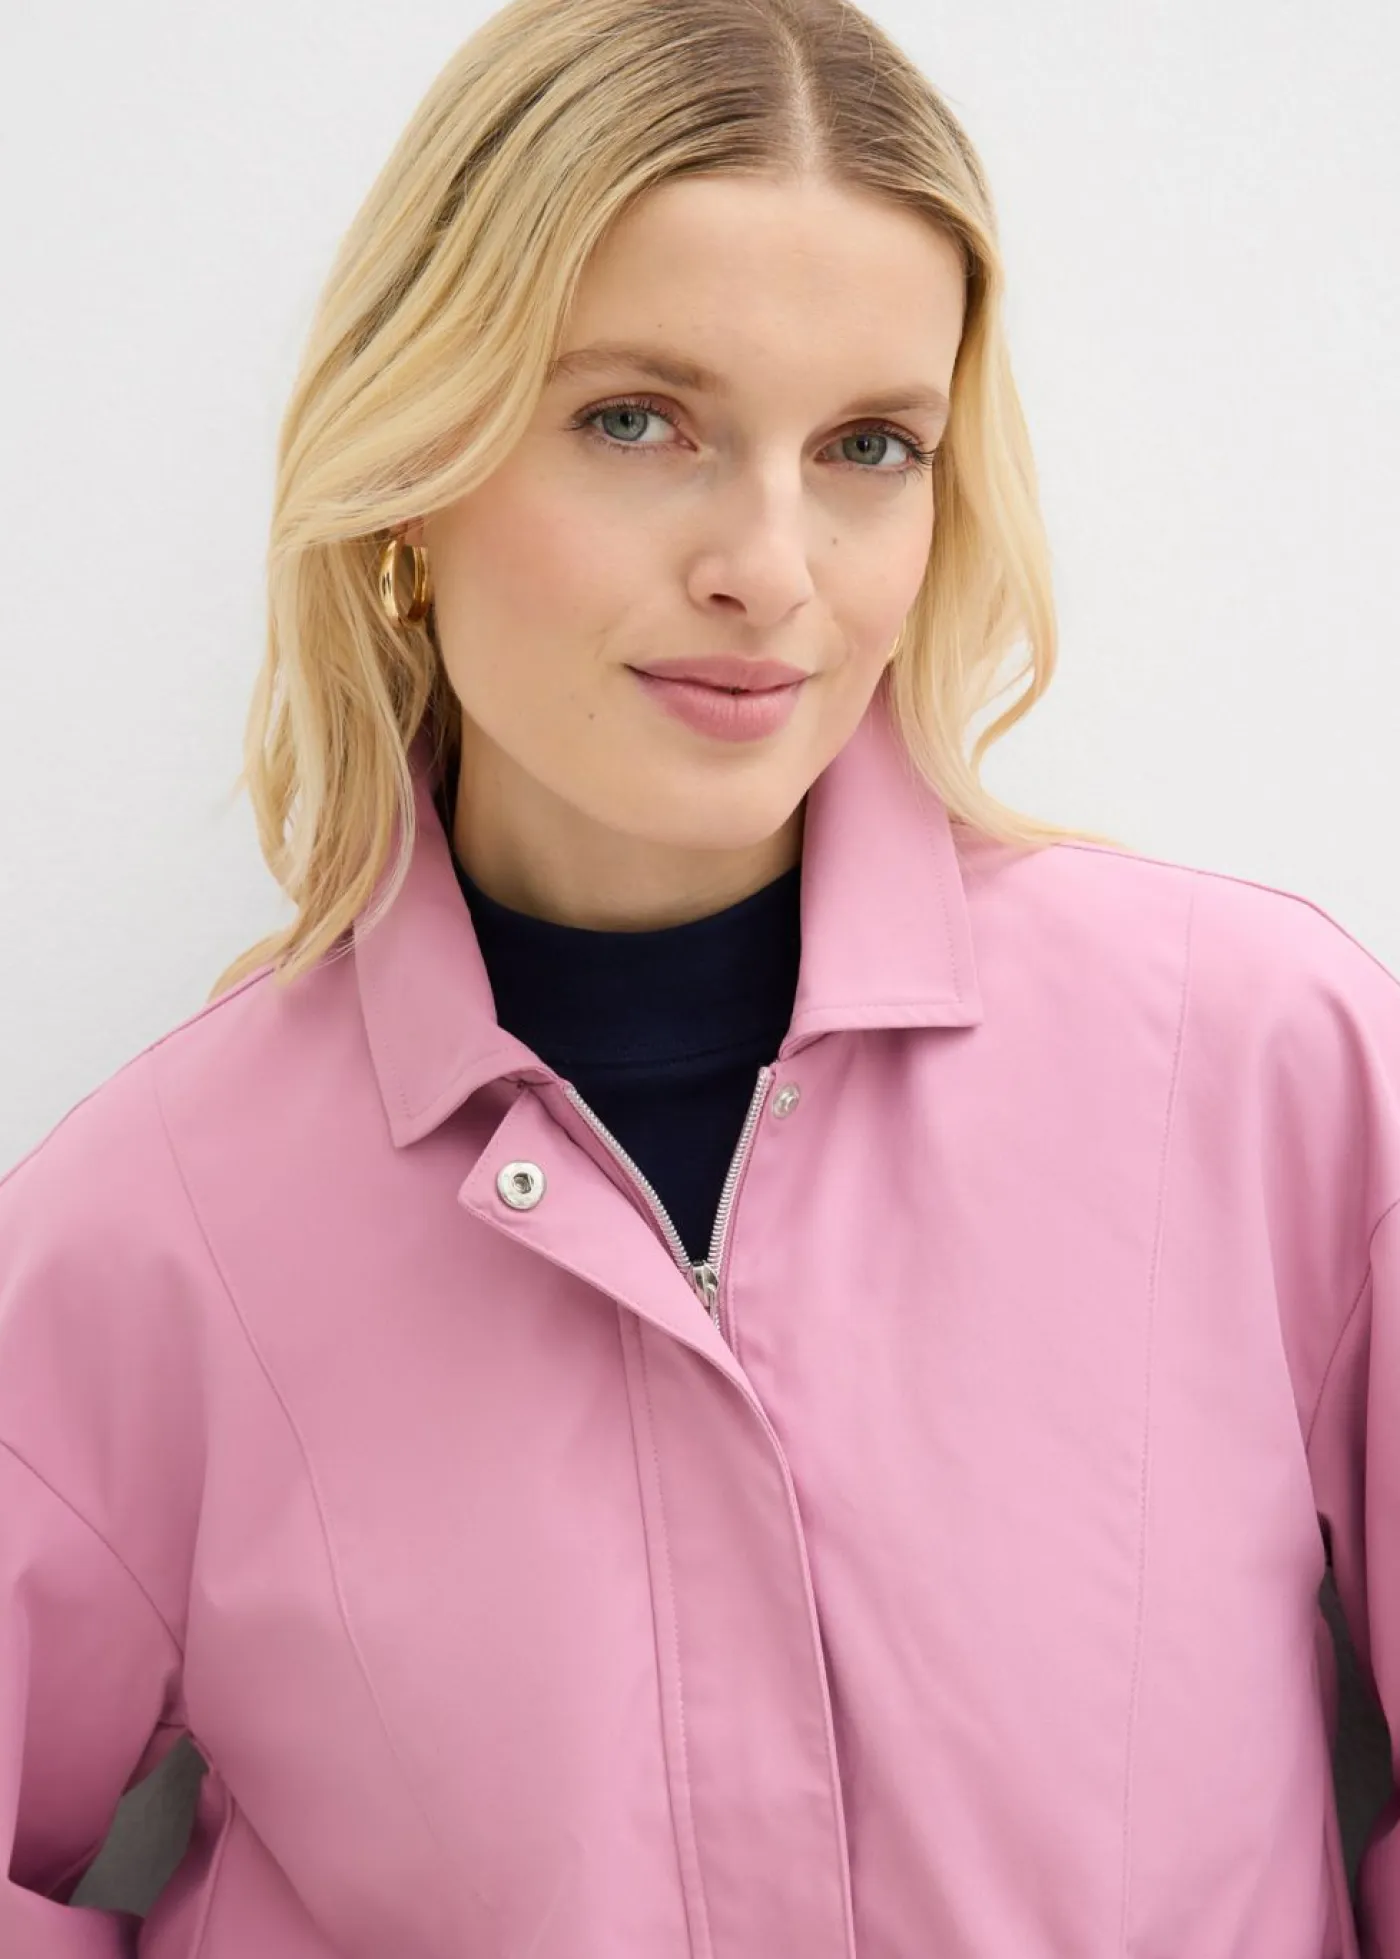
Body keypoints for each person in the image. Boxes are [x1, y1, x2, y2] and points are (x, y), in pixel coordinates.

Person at [3, 0, 1399, 1952]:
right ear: (412, 467)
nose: (771, 564)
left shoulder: (1261, 1068)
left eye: (867, 447)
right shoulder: (151, 1236)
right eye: (635, 421)